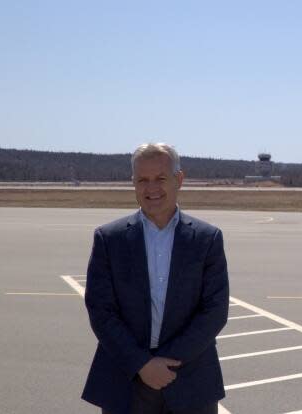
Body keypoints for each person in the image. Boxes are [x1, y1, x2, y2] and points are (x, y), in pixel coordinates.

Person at [81, 143, 229, 414]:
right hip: (125, 379)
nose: (151, 189)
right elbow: (100, 311)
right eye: (142, 180)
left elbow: (215, 311)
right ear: (133, 183)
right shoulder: (108, 239)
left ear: (179, 180)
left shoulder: (207, 240)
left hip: (191, 380)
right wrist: (142, 365)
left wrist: (167, 364)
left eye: (160, 178)